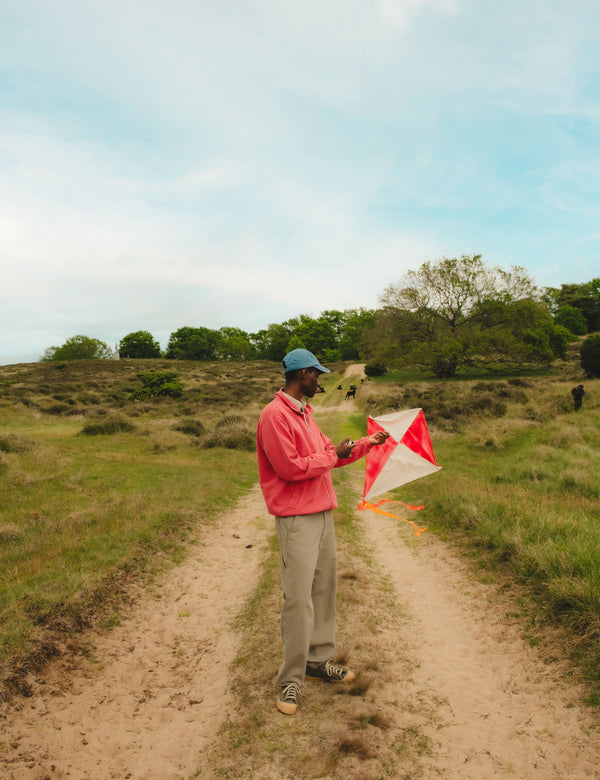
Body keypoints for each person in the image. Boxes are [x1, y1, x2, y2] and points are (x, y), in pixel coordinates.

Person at [256, 348, 389, 716]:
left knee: (323, 590)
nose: (321, 380)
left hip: (323, 514)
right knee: (298, 599)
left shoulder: (306, 413)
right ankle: (290, 681)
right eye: (317, 374)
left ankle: (317, 662)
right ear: (302, 375)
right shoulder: (274, 416)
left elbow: (331, 452)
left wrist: (366, 444)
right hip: (297, 519)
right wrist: (333, 456)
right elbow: (291, 468)